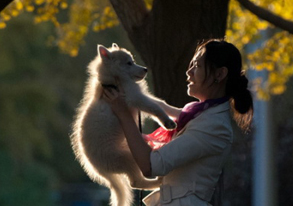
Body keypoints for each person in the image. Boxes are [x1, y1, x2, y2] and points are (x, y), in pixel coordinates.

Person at [102, 39, 254, 206]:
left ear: (220, 74)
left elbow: (151, 166)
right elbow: (160, 107)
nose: (189, 72)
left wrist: (124, 114)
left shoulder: (214, 125)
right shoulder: (199, 114)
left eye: (197, 66)